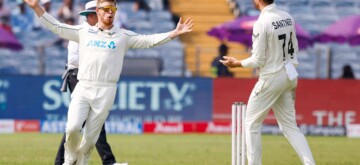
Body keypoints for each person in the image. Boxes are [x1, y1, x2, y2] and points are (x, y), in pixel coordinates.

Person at [23, 0, 193, 164]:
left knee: (90, 139)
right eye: (106, 8)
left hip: (106, 90)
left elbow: (148, 40)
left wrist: (173, 34)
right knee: (73, 128)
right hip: (83, 86)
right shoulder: (83, 32)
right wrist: (37, 8)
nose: (110, 12)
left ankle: (80, 163)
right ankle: (69, 161)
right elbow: (57, 27)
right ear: (97, 11)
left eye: (113, 8)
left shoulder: (122, 36)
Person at [220, 0, 315, 165]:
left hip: (271, 77)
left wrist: (238, 63)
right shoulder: (287, 17)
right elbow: (296, 47)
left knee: (251, 124)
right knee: (290, 127)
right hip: (290, 74)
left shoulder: (262, 23)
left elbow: (258, 59)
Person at [56, 1, 125, 165]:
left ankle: (62, 161)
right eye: (96, 14)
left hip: (91, 78)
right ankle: (108, 161)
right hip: (79, 76)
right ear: (94, 15)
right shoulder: (83, 32)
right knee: (82, 125)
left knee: (80, 125)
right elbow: (73, 59)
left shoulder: (100, 32)